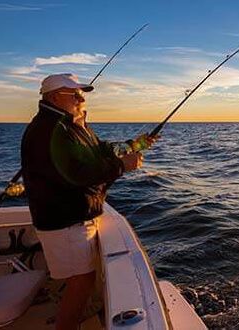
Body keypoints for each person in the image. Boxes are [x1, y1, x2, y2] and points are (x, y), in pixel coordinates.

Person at [21, 73, 151, 329]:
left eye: (82, 94)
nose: (82, 98)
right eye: (76, 94)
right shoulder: (51, 130)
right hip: (65, 221)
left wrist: (133, 145)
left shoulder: (69, 124)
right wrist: (121, 166)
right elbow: (78, 175)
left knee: (83, 279)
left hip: (71, 217)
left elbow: (97, 151)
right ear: (56, 96)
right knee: (81, 281)